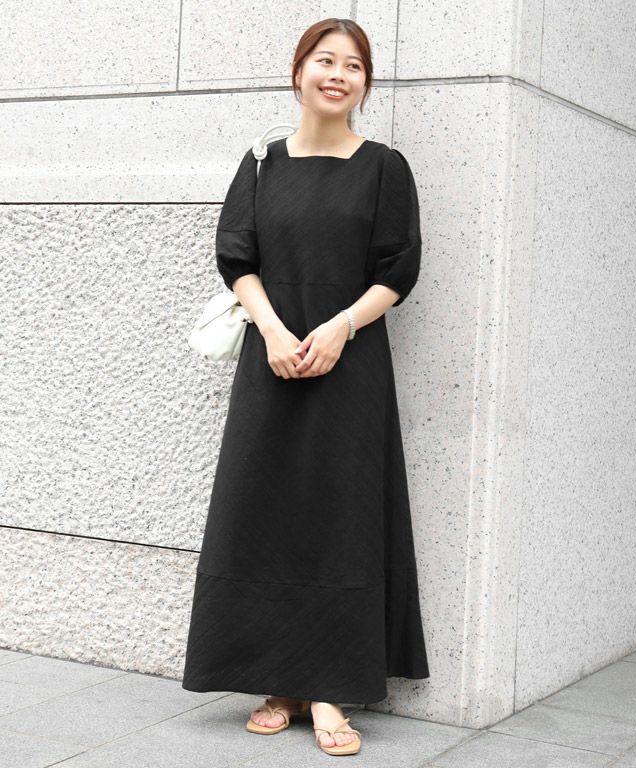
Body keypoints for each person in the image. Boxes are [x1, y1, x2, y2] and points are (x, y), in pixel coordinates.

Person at [181, 17, 430, 757]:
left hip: (350, 366)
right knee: (265, 511)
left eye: (354, 65)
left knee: (341, 515)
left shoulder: (384, 167)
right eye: (326, 60)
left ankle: (327, 689)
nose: (338, 74)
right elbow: (237, 257)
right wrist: (272, 330)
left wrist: (340, 328)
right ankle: (277, 683)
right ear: (299, 73)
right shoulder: (261, 164)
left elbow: (399, 268)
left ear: (365, 84)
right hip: (273, 360)